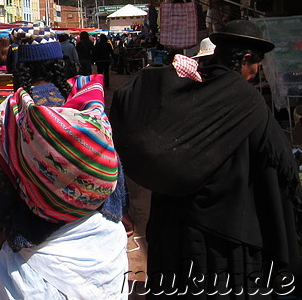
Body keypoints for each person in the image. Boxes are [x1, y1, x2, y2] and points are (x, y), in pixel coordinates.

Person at [110, 20, 301, 296]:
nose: (256, 73)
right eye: (256, 66)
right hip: (222, 235)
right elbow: (279, 163)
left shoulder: (192, 85)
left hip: (172, 226)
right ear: (246, 59)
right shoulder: (245, 99)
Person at [0, 27, 127, 299]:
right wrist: (122, 210)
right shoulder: (85, 100)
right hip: (99, 238)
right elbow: (111, 160)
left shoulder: (12, 111)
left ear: (20, 66)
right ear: (58, 63)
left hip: (35, 239)